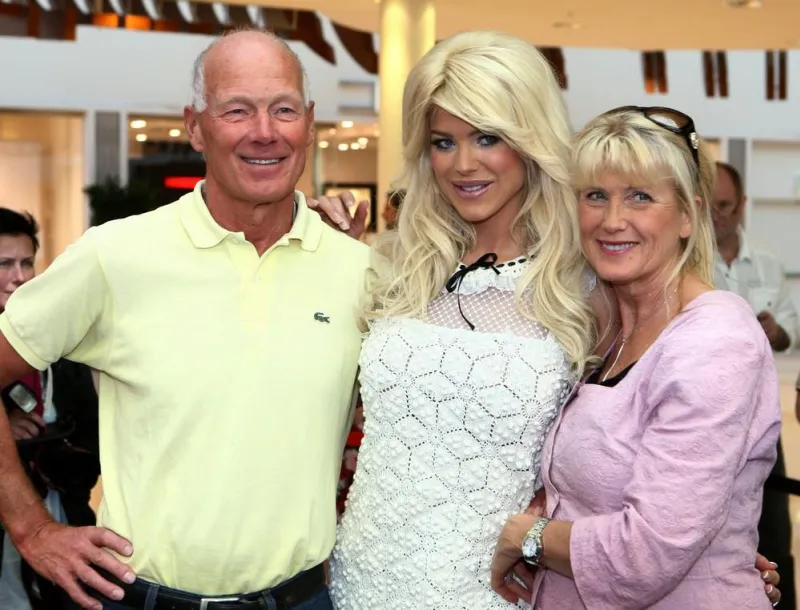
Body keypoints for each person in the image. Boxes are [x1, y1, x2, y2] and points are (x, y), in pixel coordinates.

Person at [311, 33, 783, 610]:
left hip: (500, 587)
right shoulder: (396, 264)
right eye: (443, 141)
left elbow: (652, 439)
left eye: (488, 137)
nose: (464, 163)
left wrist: (719, 561)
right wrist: (322, 249)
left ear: (529, 140)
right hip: (363, 575)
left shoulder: (588, 281)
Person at [0, 29, 368, 610]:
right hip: (141, 598)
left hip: (305, 600)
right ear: (195, 125)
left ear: (311, 122)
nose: (264, 132)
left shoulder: (360, 271)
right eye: (237, 110)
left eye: (283, 110)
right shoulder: (115, 256)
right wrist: (32, 528)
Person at [491, 106, 782, 608]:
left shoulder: (714, 340)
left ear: (689, 214)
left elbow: (644, 555)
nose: (612, 220)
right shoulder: (603, 325)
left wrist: (528, 538)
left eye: (640, 197)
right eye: (595, 196)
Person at [0, 208, 100, 610]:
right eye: (4, 264)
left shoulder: (57, 333)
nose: (20, 276)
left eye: (27, 263)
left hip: (61, 501)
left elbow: (90, 420)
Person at [713, 161, 797, 610]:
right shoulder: (684, 259)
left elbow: (789, 326)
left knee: (777, 528)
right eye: (709, 205)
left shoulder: (767, 260)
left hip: (763, 415)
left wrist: (776, 331)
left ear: (742, 205)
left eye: (725, 205)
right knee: (718, 527)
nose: (717, 216)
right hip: (710, 417)